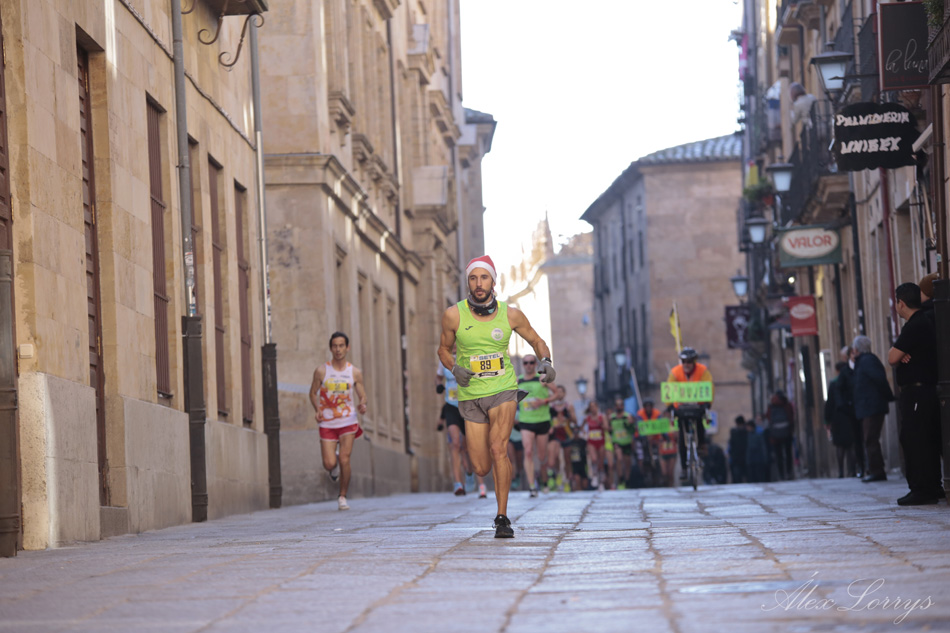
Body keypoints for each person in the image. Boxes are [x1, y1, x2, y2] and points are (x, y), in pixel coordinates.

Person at [438, 255, 555, 538]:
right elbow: (442, 349)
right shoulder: (453, 315)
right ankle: (498, 472)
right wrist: (454, 368)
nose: (479, 284)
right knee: (480, 467)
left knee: (498, 448)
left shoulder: (510, 314)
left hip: (503, 390)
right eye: (473, 278)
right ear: (468, 282)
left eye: (484, 278)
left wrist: (546, 361)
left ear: (493, 281)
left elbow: (536, 340)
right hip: (470, 394)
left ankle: (502, 517)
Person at [887, 282, 942, 505]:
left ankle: (922, 489)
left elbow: (892, 357)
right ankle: (931, 486)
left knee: (915, 439)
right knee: (923, 438)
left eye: (896, 303)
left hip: (918, 393)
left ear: (901, 303)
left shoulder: (915, 324)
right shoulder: (921, 322)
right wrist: (902, 352)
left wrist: (899, 353)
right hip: (922, 391)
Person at [310, 332, 368, 511]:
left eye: (341, 346)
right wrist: (317, 409)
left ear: (347, 348)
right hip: (327, 422)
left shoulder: (354, 372)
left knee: (345, 458)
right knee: (329, 463)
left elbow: (362, 394)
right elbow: (312, 393)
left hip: (347, 420)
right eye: (335, 346)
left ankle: (342, 496)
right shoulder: (322, 371)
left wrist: (363, 404)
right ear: (330, 348)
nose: (338, 349)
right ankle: (333, 465)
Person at [437, 362, 487, 498]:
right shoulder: (443, 361)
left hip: (468, 405)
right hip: (451, 406)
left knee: (470, 447)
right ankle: (458, 484)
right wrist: (438, 385)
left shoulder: (467, 356)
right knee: (455, 444)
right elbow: (438, 377)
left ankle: (475, 478)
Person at [666, 347, 713, 483]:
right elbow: (669, 390)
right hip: (681, 408)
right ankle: (684, 468)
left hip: (697, 406)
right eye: (684, 361)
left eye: (690, 361)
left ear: (694, 361)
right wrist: (670, 406)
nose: (687, 364)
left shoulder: (703, 371)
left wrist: (707, 403)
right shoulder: (675, 372)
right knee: (682, 435)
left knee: (700, 424)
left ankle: (701, 446)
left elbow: (709, 387)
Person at [851, 335, 894, 483]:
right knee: (870, 439)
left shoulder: (867, 361)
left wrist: (888, 396)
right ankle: (876, 469)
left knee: (870, 439)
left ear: (857, 349)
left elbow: (879, 379)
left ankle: (877, 471)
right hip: (868, 406)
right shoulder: (863, 361)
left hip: (872, 406)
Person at [517, 354, 558, 496]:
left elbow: (557, 394)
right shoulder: (518, 381)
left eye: (531, 362)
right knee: (528, 451)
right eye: (525, 363)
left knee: (542, 456)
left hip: (542, 420)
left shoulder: (542, 378)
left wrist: (544, 401)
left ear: (535, 364)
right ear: (523, 365)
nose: (528, 365)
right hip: (525, 421)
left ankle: (545, 480)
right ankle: (532, 486)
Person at [824, 362, 856, 478]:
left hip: (837, 417)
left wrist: (827, 420)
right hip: (850, 415)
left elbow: (829, 403)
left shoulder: (834, 383)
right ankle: (852, 470)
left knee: (840, 445)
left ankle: (841, 471)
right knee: (851, 444)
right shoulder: (851, 380)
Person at [839, 345, 864, 478]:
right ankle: (861, 465)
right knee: (857, 439)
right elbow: (840, 390)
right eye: (853, 353)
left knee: (867, 436)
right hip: (852, 409)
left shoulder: (862, 367)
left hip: (864, 406)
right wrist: (845, 406)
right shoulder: (845, 371)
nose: (855, 355)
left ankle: (868, 465)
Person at [548, 385, 576, 491]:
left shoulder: (569, 406)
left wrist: (568, 417)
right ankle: (558, 475)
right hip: (555, 434)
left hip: (566, 433)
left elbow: (575, 421)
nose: (559, 394)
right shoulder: (551, 406)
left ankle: (568, 480)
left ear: (564, 393)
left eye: (561, 392)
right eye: (557, 392)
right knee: (555, 456)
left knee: (567, 458)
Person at [766, 390, 795, 480]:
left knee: (779, 455)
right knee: (788, 453)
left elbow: (769, 418)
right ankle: (789, 472)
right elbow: (791, 417)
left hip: (775, 435)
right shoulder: (787, 405)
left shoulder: (771, 406)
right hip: (787, 433)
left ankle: (781, 474)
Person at [609, 396, 637, 489]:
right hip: (617, 441)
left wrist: (631, 423)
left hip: (627, 441)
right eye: (617, 405)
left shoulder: (628, 416)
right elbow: (609, 429)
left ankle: (627, 480)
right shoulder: (612, 417)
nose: (619, 407)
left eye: (621, 405)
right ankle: (620, 478)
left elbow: (633, 430)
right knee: (619, 458)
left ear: (623, 406)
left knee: (627, 462)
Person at [583, 401, 610, 490]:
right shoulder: (587, 418)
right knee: (594, 459)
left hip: (601, 441)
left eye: (594, 406)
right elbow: (581, 427)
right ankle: (594, 475)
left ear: (597, 407)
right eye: (591, 407)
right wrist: (584, 433)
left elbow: (607, 428)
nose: (593, 408)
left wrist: (600, 423)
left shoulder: (602, 417)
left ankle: (601, 482)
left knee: (601, 463)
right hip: (591, 441)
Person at [745, 418, 770, 483]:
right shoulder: (748, 435)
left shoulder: (758, 435)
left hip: (758, 459)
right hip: (752, 459)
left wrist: (764, 457)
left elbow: (762, 446)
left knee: (759, 475)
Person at [728, 415, 748, 484]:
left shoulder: (736, 432)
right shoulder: (736, 432)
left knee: (739, 475)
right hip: (738, 457)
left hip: (739, 457)